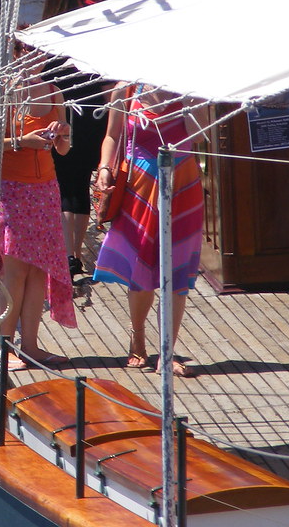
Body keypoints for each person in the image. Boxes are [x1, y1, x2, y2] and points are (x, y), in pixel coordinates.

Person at [92, 84, 205, 377]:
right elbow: (112, 136)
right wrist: (104, 168)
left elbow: (198, 136)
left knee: (177, 269)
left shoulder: (191, 85)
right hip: (140, 184)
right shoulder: (126, 90)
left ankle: (166, 353)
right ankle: (138, 337)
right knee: (141, 267)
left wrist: (189, 101)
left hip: (183, 183)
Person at [0, 46, 75, 369]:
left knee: (37, 270)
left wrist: (62, 134)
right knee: (15, 272)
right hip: (13, 190)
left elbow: (64, 150)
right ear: (16, 53)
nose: (35, 58)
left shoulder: (55, 93)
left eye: (39, 52)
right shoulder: (3, 91)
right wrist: (23, 141)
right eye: (27, 51)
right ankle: (3, 346)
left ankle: (30, 346)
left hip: (45, 190)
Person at [40, 0, 108, 282]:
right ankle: (76, 252)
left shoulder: (44, 41)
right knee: (78, 185)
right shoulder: (89, 39)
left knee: (61, 185)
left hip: (59, 118)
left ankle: (66, 252)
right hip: (91, 117)